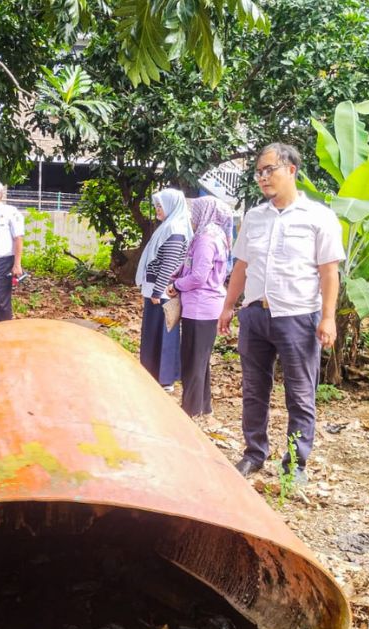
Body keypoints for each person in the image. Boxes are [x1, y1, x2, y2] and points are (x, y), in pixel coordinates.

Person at [218, 143, 343, 482]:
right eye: (258, 172)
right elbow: (241, 266)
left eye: (268, 169)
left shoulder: (319, 217)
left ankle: (295, 465)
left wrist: (328, 317)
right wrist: (229, 306)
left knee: (300, 394)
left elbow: (329, 271)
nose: (262, 177)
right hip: (255, 315)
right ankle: (254, 453)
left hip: (298, 317)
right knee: (254, 390)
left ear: (291, 170)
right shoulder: (255, 217)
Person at [167, 196, 231, 418]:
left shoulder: (205, 239)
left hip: (200, 307)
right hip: (206, 306)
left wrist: (176, 284)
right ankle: (203, 406)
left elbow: (198, 276)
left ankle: (190, 409)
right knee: (200, 360)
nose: (191, 217)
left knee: (193, 360)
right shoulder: (217, 235)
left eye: (195, 211)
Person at [136, 188, 188, 389]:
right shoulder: (168, 226)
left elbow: (169, 263)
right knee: (153, 332)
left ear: (172, 206)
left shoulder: (174, 229)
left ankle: (165, 379)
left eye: (161, 206)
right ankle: (152, 374)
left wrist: (158, 291)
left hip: (163, 293)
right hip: (157, 291)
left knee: (165, 333)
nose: (158, 209)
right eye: (156, 206)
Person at [0, 182, 25, 323]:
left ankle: (4, 330)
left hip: (3, 260)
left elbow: (18, 238)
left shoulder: (10, 212)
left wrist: (17, 264)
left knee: (1, 299)